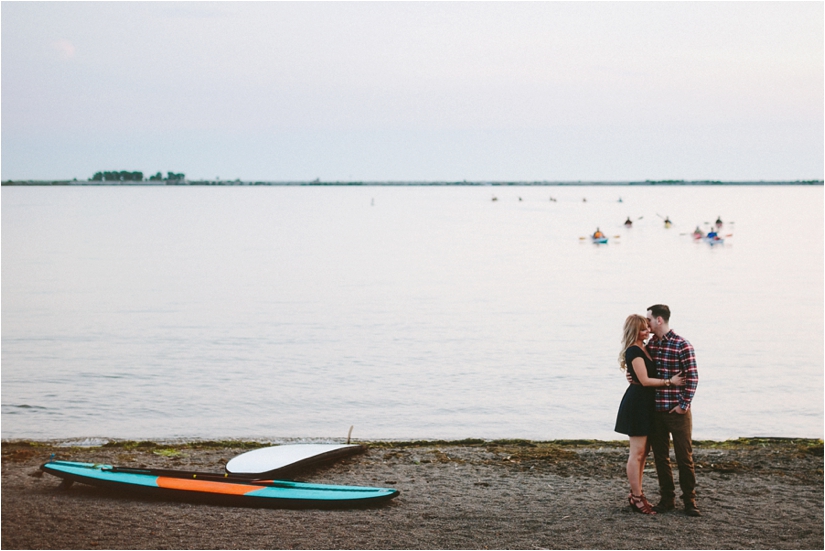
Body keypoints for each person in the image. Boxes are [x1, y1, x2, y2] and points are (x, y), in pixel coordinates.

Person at [615, 315, 684, 515]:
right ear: (634, 331)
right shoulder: (634, 350)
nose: (647, 331)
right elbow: (644, 381)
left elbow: (638, 376)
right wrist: (670, 382)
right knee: (636, 453)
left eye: (647, 327)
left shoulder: (646, 347)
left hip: (646, 404)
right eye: (643, 329)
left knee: (644, 453)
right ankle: (637, 497)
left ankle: (637, 493)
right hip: (637, 404)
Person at [645, 304, 700, 516]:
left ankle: (690, 501)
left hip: (678, 412)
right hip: (657, 412)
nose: (647, 323)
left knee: (684, 457)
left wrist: (683, 405)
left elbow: (692, 378)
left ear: (659, 320)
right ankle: (667, 499)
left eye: (649, 319)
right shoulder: (651, 345)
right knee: (660, 457)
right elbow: (645, 373)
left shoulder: (682, 345)